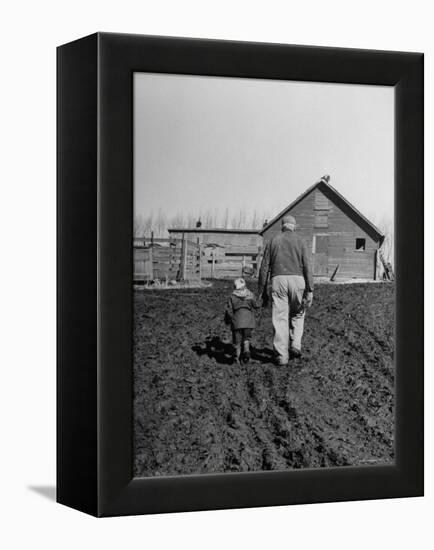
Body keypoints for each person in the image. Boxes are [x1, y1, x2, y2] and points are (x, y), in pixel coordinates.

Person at [258, 214, 314, 365]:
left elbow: (264, 268)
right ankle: (295, 344)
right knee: (298, 313)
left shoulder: (273, 241)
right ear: (293, 226)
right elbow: (308, 266)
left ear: (282, 226)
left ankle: (282, 356)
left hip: (278, 280)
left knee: (280, 318)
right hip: (298, 281)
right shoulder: (301, 241)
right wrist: (310, 289)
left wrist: (262, 290)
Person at [224, 278, 261, 364]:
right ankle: (246, 351)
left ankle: (236, 358)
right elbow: (256, 305)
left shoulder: (232, 297)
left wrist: (228, 320)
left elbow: (228, 309)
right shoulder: (250, 295)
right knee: (246, 338)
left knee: (237, 342)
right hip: (248, 322)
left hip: (237, 321)